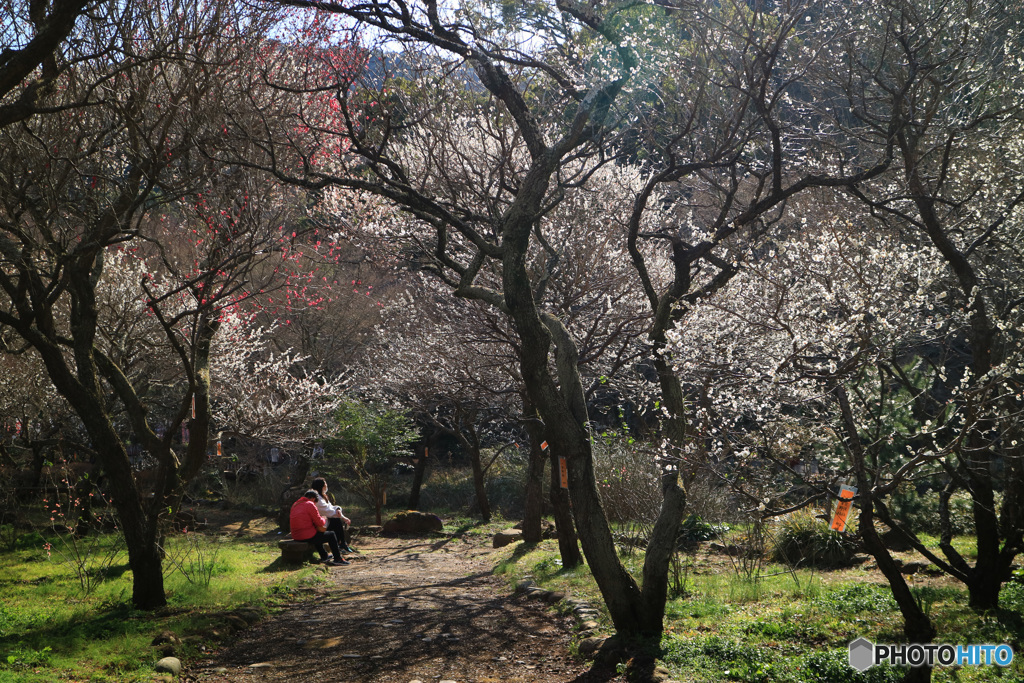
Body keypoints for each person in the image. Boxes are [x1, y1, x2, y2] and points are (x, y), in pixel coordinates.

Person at [289, 489, 348, 566]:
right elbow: (319, 522)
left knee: (315, 533)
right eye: (316, 501)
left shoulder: (295, 504)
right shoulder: (310, 504)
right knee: (331, 534)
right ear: (313, 498)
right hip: (305, 536)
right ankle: (338, 559)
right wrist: (324, 519)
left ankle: (324, 556)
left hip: (296, 536)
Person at [310, 477, 356, 553]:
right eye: (325, 484)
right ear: (321, 486)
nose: (326, 486)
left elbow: (331, 508)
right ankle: (341, 545)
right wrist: (343, 517)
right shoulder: (317, 498)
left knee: (336, 520)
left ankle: (341, 544)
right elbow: (328, 512)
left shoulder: (322, 496)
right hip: (317, 524)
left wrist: (338, 509)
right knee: (336, 520)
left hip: (323, 521)